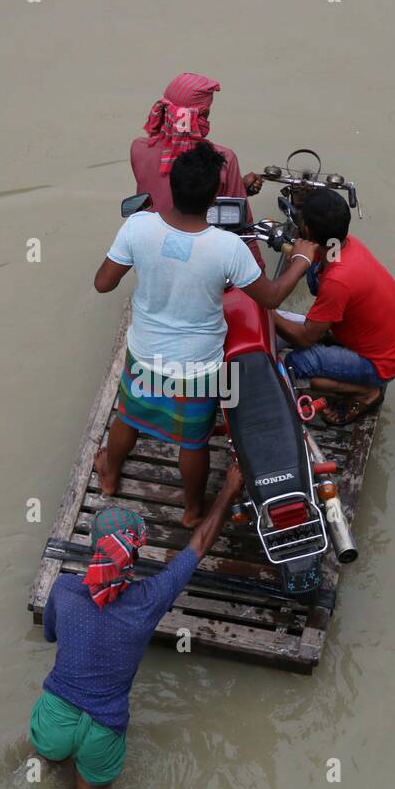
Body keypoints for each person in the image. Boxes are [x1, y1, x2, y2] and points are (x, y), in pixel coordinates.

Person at [94, 142, 307, 525]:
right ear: (214, 198)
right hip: (197, 368)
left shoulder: (138, 226)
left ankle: (108, 475)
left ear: (171, 188)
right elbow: (271, 298)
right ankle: (193, 511)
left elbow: (103, 284)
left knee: (127, 415)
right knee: (193, 442)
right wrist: (302, 259)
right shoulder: (228, 247)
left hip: (145, 354)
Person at [30, 463, 245, 789]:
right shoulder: (150, 599)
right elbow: (199, 545)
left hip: (55, 713)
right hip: (103, 727)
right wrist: (229, 490)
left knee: (42, 769)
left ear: (93, 550)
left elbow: (51, 636)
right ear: (133, 555)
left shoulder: (64, 590)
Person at [273, 189, 395, 425]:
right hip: (389, 342)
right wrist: (299, 258)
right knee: (313, 272)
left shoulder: (338, 281)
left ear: (307, 230)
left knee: (293, 365)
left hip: (381, 362)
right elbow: (311, 266)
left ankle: (367, 392)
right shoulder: (344, 246)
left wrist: (265, 310)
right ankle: (334, 338)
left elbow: (304, 339)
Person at [131, 72, 265, 268]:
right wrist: (259, 271)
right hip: (200, 260)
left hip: (152, 256)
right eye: (206, 113)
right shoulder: (223, 159)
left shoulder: (139, 149)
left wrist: (235, 186)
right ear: (199, 115)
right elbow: (242, 227)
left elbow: (165, 194)